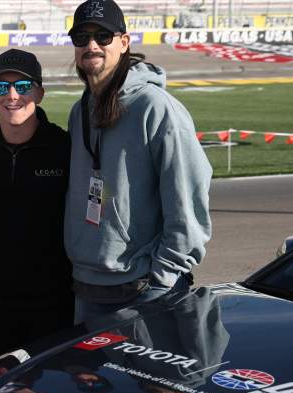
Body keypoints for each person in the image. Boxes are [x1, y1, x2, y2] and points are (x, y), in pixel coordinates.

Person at [64, 0, 212, 323]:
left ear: (124, 42)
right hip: (87, 289)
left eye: (103, 36)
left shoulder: (156, 108)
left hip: (143, 291)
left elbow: (188, 206)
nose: (91, 45)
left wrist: (162, 277)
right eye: (81, 37)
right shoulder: (79, 112)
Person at [0, 49, 73, 359]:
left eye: (23, 87)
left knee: (50, 390)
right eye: (2, 87)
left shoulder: (62, 146)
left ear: (40, 93)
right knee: (4, 388)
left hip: (55, 298)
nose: (12, 95)